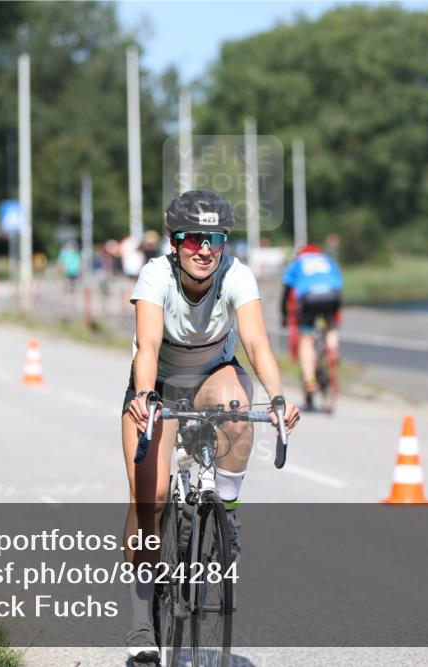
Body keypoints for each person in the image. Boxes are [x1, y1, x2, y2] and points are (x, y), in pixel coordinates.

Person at [121, 190, 301, 662]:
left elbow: (258, 343)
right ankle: (142, 623)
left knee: (240, 408)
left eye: (216, 238)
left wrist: (280, 398)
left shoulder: (235, 275)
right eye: (194, 238)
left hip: (212, 379)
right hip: (158, 383)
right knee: (150, 501)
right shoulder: (155, 275)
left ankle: (227, 508)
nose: (205, 249)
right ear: (176, 242)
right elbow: (147, 346)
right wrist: (144, 397)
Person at [281, 243, 343, 411]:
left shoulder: (298, 262)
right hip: (332, 295)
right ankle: (332, 349)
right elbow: (339, 282)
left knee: (306, 338)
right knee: (330, 327)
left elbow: (287, 291)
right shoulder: (327, 260)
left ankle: (309, 381)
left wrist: (284, 316)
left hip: (310, 297)